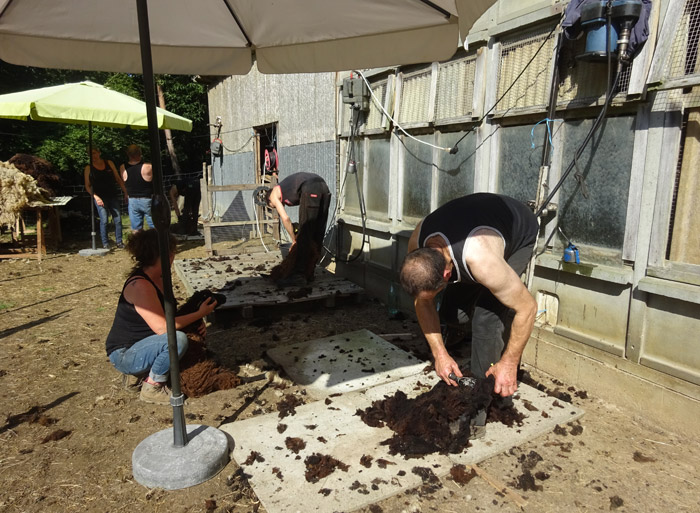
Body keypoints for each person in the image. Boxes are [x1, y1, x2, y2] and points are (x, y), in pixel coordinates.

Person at [399, 192, 539, 436]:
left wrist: (510, 363)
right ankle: (466, 338)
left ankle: (478, 408)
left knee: (486, 317)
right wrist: (439, 354)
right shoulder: (418, 244)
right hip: (469, 230)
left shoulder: (481, 259)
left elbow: (527, 308)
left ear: (445, 277)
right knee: (453, 315)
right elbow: (422, 303)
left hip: (517, 228)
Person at [105, 229, 218, 404]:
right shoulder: (141, 285)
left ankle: (141, 373)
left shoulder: (159, 277)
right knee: (177, 340)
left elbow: (169, 316)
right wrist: (199, 313)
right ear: (167, 254)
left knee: (181, 339)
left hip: (146, 343)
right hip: (125, 353)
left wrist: (196, 321)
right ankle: (152, 387)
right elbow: (163, 327)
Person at [263, 172, 331, 282]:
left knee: (304, 234)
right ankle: (309, 273)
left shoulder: (273, 194)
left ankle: (298, 275)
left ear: (270, 200)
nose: (279, 207)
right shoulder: (287, 189)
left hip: (310, 188)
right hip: (324, 188)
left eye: (274, 206)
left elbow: (285, 219)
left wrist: (294, 240)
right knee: (318, 234)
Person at [84, 147, 127, 249]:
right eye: (90, 154)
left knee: (118, 219)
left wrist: (125, 192)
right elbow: (87, 186)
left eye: (94, 153)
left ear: (99, 153)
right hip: (100, 197)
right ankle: (105, 243)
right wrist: (96, 197)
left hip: (112, 195)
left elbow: (117, 178)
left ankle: (119, 241)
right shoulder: (88, 168)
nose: (93, 156)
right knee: (104, 220)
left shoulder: (109, 163)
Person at [120, 144, 153, 232]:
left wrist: (126, 194)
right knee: (154, 226)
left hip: (132, 200)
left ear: (128, 154)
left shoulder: (123, 167)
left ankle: (138, 244)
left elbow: (124, 183)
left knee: (136, 229)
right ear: (140, 153)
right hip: (147, 199)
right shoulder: (148, 166)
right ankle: (156, 244)